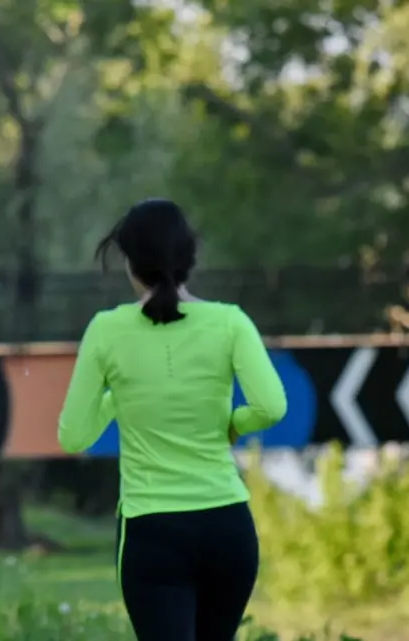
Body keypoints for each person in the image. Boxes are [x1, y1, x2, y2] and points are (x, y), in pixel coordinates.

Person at [57, 198, 288, 641]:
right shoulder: (230, 323)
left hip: (152, 531)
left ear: (130, 262)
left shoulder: (106, 330)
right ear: (189, 258)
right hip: (227, 526)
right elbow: (272, 407)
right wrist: (232, 424)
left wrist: (117, 397)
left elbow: (74, 436)